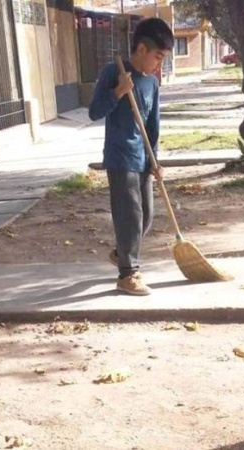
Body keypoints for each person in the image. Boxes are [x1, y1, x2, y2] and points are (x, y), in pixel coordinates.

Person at [88, 18, 174, 296]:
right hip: (119, 156)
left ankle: (122, 252)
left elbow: (153, 126)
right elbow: (94, 111)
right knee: (130, 216)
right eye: (158, 57)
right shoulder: (115, 72)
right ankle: (128, 274)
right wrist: (118, 91)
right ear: (141, 48)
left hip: (142, 156)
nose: (159, 64)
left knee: (146, 216)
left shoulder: (151, 83)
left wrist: (155, 161)